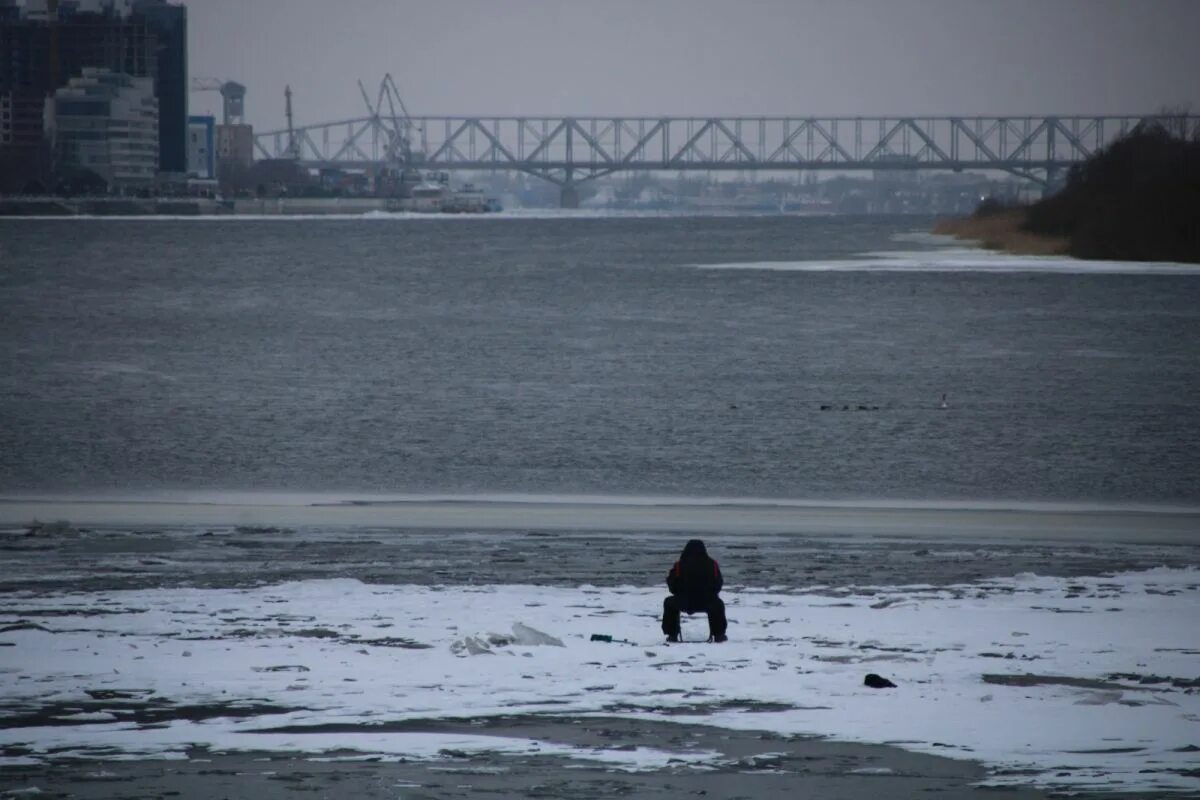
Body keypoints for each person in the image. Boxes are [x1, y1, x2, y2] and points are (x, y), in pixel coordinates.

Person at [662, 539, 727, 643]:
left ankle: (672, 634)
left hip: (683, 602)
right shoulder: (712, 564)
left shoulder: (679, 566)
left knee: (669, 603)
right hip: (707, 602)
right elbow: (718, 584)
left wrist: (680, 593)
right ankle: (719, 634)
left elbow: (672, 586)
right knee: (718, 604)